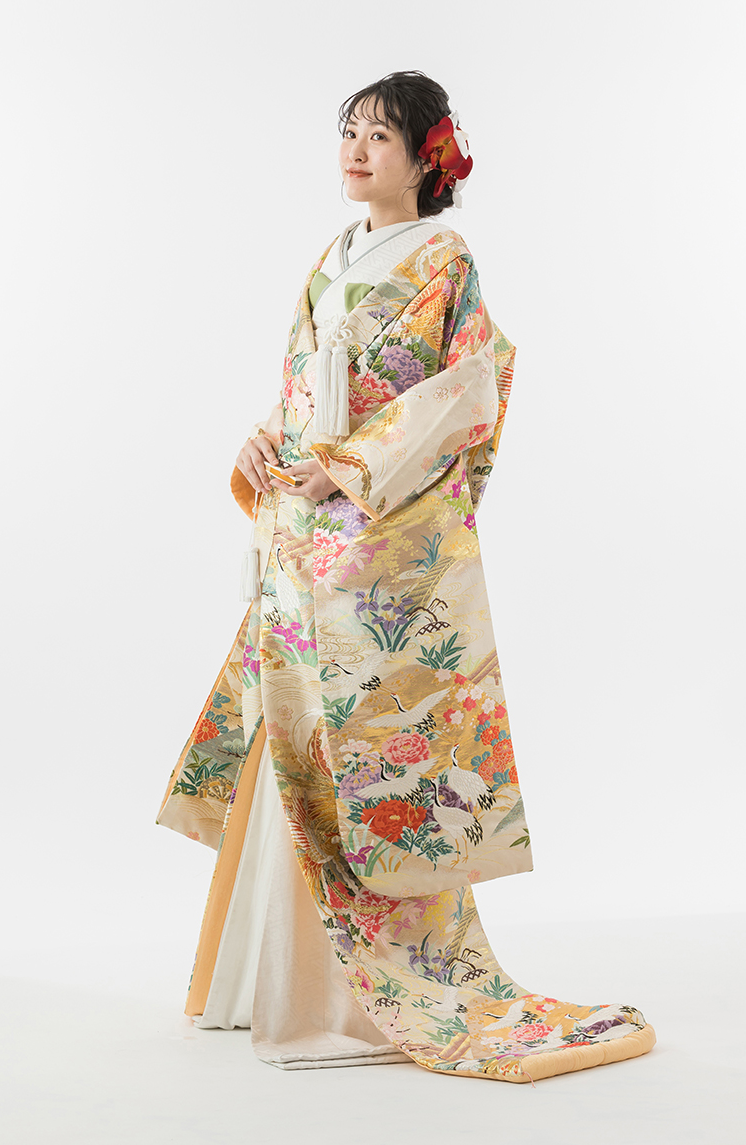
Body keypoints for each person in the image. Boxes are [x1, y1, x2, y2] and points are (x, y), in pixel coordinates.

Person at [156, 71, 656, 1083]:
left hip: (373, 544)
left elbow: (467, 390)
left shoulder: (444, 259)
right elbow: (305, 388)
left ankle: (354, 1001)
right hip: (303, 534)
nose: (355, 150)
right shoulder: (333, 255)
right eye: (348, 131)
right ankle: (269, 985)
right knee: (291, 733)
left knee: (368, 751)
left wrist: (349, 467)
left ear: (429, 157)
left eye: (378, 136)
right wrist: (267, 441)